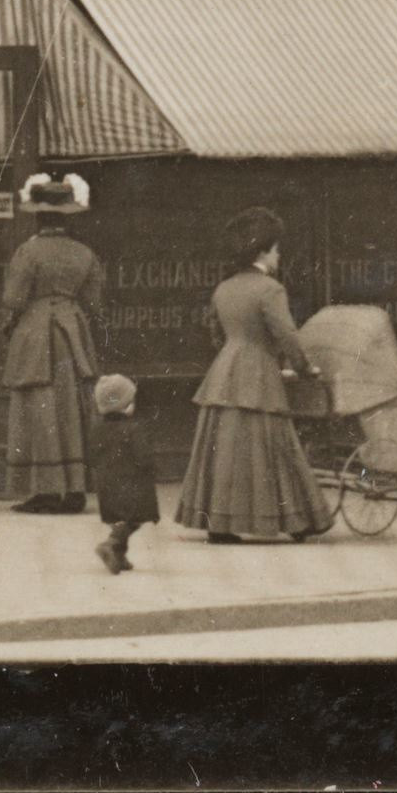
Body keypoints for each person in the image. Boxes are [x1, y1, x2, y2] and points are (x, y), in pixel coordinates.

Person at [177, 209, 327, 545]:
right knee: (273, 446)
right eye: (276, 249)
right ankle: (296, 520)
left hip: (223, 373)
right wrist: (304, 367)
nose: (278, 256)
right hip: (258, 373)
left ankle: (219, 523)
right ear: (263, 252)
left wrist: (236, 354)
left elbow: (216, 333)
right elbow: (287, 335)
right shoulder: (270, 289)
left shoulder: (224, 288)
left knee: (223, 451)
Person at [0, 173, 107, 515]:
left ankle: (45, 490)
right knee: (73, 405)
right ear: (67, 217)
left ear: (39, 217)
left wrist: (8, 326)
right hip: (73, 333)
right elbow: (95, 302)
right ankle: (75, 489)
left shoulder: (28, 252)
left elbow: (13, 298)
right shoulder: (85, 254)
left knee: (39, 405)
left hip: (36, 333)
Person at [84, 370, 157, 575]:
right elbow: (143, 456)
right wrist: (150, 467)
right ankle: (111, 544)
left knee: (119, 521)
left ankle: (119, 555)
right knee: (132, 520)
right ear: (126, 405)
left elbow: (91, 456)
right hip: (131, 485)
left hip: (106, 486)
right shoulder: (134, 429)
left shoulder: (97, 429)